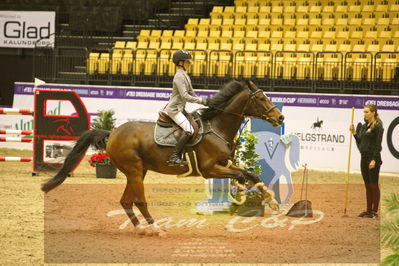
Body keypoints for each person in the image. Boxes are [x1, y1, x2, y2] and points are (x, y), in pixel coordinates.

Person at [164, 49, 208, 166]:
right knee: (189, 130)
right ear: (180, 62)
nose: (190, 63)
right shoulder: (179, 76)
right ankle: (174, 157)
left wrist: (204, 101)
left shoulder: (185, 75)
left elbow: (191, 93)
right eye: (187, 61)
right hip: (174, 110)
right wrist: (200, 100)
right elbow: (184, 95)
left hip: (181, 108)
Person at [349, 104, 384, 218]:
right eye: (364, 112)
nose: (365, 114)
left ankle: (374, 212)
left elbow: (378, 145)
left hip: (373, 159)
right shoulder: (364, 126)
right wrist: (354, 132)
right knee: (367, 185)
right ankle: (368, 211)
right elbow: (360, 141)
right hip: (363, 158)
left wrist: (374, 159)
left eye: (367, 112)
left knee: (373, 185)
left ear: (373, 112)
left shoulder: (378, 126)